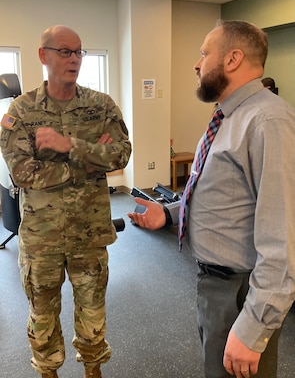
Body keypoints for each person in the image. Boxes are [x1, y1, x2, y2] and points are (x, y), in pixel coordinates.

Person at [128, 19, 295, 378]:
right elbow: (222, 192)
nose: (197, 63)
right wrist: (171, 214)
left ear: (233, 59)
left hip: (243, 292)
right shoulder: (227, 116)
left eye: (205, 53)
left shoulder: (267, 121)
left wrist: (254, 327)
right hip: (215, 286)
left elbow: (284, 237)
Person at [0, 25, 131, 378]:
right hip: (42, 241)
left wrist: (66, 145)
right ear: (44, 55)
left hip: (89, 236)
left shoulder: (101, 106)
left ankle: (93, 370)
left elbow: (120, 155)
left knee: (93, 314)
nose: (74, 59)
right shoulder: (21, 111)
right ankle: (48, 373)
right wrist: (89, 163)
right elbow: (23, 174)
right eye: (64, 51)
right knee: (42, 317)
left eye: (79, 52)